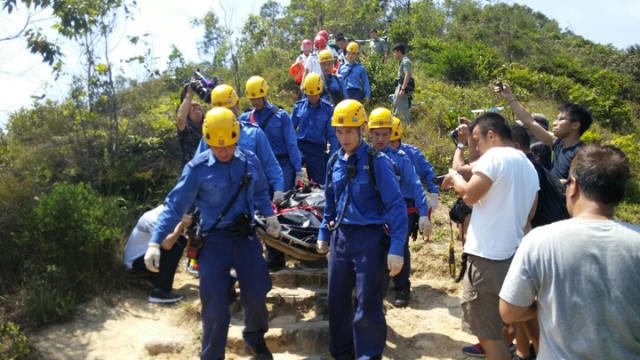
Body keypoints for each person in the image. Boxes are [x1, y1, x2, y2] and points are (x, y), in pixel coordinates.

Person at [144, 107, 281, 360]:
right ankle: (211, 356)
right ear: (207, 140)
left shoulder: (250, 160)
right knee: (215, 306)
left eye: (229, 145)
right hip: (213, 241)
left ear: (236, 137)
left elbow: (261, 191)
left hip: (245, 238)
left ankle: (255, 338)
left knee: (258, 292)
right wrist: (154, 242)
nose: (224, 151)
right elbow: (175, 205)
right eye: (217, 147)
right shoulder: (196, 169)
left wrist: (270, 215)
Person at [500, 144, 640, 359]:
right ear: (619, 195)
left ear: (572, 186)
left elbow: (509, 311)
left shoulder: (539, 240)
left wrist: (547, 306)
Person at [442, 112, 539, 360]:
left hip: (487, 257)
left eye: (477, 140)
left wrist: (454, 178)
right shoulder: (528, 165)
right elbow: (530, 212)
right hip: (517, 255)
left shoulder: (494, 156)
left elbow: (470, 195)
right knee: (510, 319)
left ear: (491, 135)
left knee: (486, 332)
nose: (477, 147)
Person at [317, 99, 407, 359]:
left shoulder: (376, 161)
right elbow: (330, 203)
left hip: (370, 239)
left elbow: (397, 207)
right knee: (337, 301)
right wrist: (324, 232)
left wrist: (397, 247)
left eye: (349, 131)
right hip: (341, 239)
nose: (343, 137)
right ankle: (341, 353)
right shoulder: (333, 161)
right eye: (339, 131)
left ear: (362, 128)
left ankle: (367, 355)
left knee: (367, 305)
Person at [368, 108, 432, 308]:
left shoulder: (400, 158)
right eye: (376, 134)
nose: (380, 139)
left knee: (400, 246)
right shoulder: (362, 157)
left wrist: (423, 214)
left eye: (384, 134)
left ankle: (402, 287)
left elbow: (415, 185)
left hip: (400, 211)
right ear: (368, 132)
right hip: (372, 212)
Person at [195, 84, 284, 203]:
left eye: (228, 110)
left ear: (237, 106)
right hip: (219, 204)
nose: (225, 115)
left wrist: (278, 189)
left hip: (252, 201)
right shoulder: (208, 136)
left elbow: (270, 163)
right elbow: (197, 170)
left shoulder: (254, 133)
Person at [495, 83, 593, 180]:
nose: (555, 123)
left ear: (575, 125)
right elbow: (529, 122)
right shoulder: (558, 143)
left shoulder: (581, 154)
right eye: (556, 118)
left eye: (560, 119)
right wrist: (509, 96)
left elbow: (580, 187)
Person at [239, 76, 303, 194]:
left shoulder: (281, 116)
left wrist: (298, 171)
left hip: (283, 164)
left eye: (259, 97)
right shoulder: (245, 118)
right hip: (259, 167)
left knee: (283, 201)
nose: (256, 101)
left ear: (265, 94)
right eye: (253, 99)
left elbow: (291, 144)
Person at [124, 204, 190, 303]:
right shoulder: (154, 217)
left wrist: (187, 229)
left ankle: (155, 279)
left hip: (143, 260)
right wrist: (181, 223)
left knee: (180, 239)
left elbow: (185, 245)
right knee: (175, 247)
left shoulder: (166, 215)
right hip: (133, 266)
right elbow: (167, 245)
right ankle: (159, 292)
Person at [291, 73, 338, 185]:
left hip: (317, 149)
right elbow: (289, 130)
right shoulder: (298, 106)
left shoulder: (328, 109)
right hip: (299, 146)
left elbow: (332, 136)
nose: (312, 97)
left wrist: (332, 157)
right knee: (290, 171)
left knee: (319, 184)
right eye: (309, 95)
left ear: (320, 91)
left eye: (315, 94)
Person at [388, 117, 440, 216]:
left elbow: (427, 172)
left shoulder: (411, 153)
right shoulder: (376, 153)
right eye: (387, 142)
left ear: (400, 138)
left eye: (393, 142)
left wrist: (434, 194)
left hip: (407, 204)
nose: (390, 146)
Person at [176, 87, 205, 166]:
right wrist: (190, 94)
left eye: (199, 109)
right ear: (188, 115)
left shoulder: (208, 128)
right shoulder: (186, 131)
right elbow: (181, 118)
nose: (198, 112)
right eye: (193, 110)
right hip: (192, 171)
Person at [391, 43, 412, 122]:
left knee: (403, 110)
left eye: (394, 52)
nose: (394, 54)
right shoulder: (402, 61)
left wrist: (403, 89)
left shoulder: (405, 61)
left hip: (403, 88)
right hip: (400, 86)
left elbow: (407, 74)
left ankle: (406, 128)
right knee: (397, 107)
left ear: (399, 52)